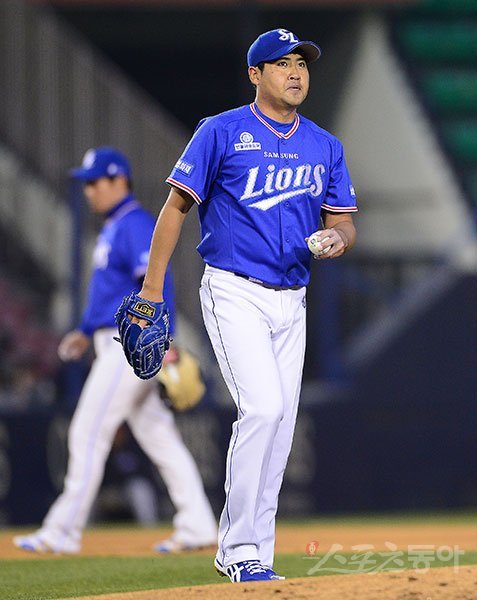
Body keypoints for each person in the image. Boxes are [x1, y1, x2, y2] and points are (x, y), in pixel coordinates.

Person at [125, 28, 358, 583]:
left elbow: (343, 221)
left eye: (301, 62)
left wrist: (338, 240)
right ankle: (236, 549)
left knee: (281, 427)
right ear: (256, 75)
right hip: (235, 290)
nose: (296, 71)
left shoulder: (324, 145)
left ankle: (260, 553)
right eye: (282, 64)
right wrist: (152, 289)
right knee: (261, 409)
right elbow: (177, 207)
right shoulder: (222, 132)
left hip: (292, 298)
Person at [13, 146, 217, 555]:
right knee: (159, 437)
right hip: (112, 340)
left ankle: (62, 531)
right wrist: (85, 330)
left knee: (87, 432)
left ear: (118, 180)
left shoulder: (136, 225)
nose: (88, 191)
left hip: (129, 346)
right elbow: (111, 294)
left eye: (94, 182)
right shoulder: (115, 225)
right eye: (85, 184)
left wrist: (165, 341)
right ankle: (197, 524)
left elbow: (159, 282)